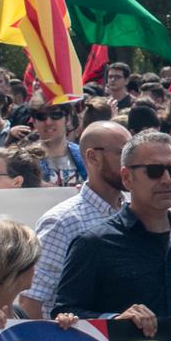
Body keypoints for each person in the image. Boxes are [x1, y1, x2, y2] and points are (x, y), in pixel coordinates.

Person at [52, 130, 171, 335]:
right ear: (127, 177)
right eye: (154, 171)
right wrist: (115, 320)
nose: (166, 179)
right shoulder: (93, 244)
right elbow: (65, 314)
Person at [25, 122, 129, 315]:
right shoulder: (62, 222)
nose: (130, 163)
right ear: (93, 157)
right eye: (123, 154)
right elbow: (31, 301)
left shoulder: (133, 213)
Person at [24, 103, 83, 187]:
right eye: (41, 116)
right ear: (34, 121)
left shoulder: (84, 156)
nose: (48, 122)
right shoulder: (24, 159)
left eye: (55, 115)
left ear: (67, 119)